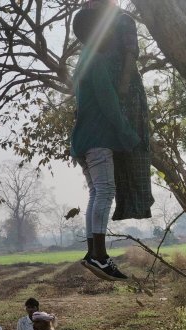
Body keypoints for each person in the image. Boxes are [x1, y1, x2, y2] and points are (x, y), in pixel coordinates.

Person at [70, 5, 139, 281]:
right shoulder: (96, 62)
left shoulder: (85, 60)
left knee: (96, 193)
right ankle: (99, 255)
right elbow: (110, 105)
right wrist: (130, 136)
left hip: (83, 141)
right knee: (106, 190)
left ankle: (93, 254)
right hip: (96, 139)